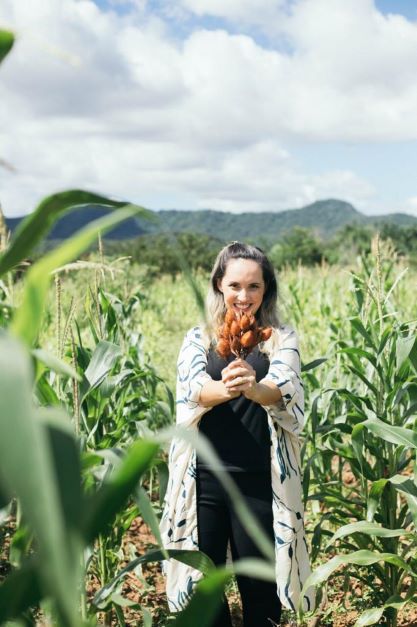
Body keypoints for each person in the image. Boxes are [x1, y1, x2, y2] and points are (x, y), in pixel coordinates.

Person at [160, 242, 315, 626]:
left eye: (254, 287)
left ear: (267, 289)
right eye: (234, 286)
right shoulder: (199, 339)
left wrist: (253, 387)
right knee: (204, 590)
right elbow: (191, 390)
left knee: (260, 592)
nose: (243, 297)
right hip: (204, 482)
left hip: (259, 483)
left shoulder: (280, 338)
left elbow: (283, 388)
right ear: (218, 285)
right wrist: (227, 388)